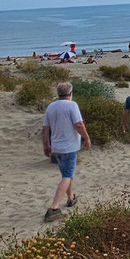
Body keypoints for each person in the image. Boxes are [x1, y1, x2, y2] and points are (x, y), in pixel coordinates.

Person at [41, 82, 91, 222]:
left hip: (56, 147)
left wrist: (46, 144)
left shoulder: (51, 106)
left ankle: (70, 198)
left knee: (66, 174)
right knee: (67, 175)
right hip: (69, 147)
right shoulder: (72, 105)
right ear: (70, 93)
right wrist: (87, 138)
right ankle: (54, 208)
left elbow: (46, 128)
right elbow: (79, 124)